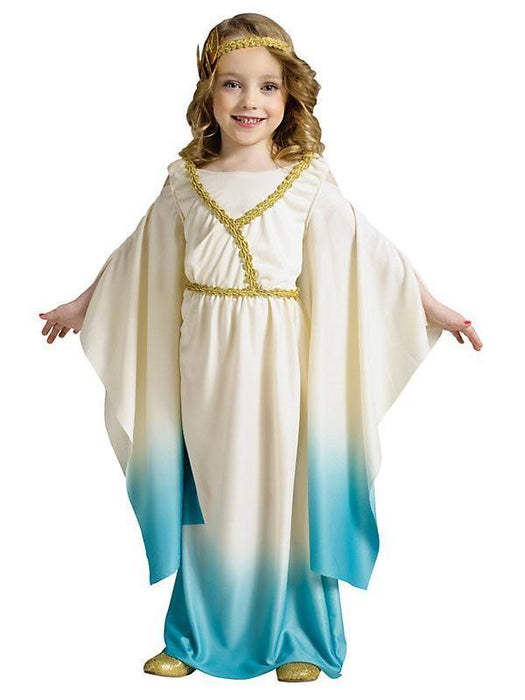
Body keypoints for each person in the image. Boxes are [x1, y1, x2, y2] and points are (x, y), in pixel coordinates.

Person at [38, 13, 482, 683]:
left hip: (280, 363)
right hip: (203, 361)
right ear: (208, 93)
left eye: (268, 87)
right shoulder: (186, 181)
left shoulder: (306, 179)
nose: (250, 101)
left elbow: (372, 258)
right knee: (211, 491)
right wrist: (81, 304)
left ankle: (299, 634)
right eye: (233, 84)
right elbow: (136, 258)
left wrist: (433, 307)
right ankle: (193, 634)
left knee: (283, 490)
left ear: (289, 94)